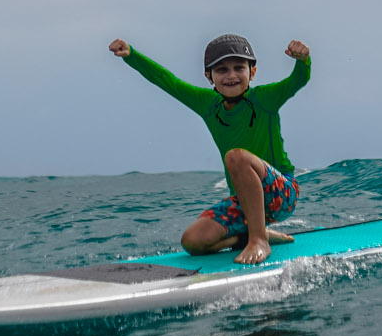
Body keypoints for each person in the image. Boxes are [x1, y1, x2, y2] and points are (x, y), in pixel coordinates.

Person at [108, 33, 311, 264]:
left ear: (252, 72)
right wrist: (131, 55)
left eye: (238, 67)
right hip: (245, 202)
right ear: (209, 76)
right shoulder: (208, 104)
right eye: (222, 70)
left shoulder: (265, 99)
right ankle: (250, 235)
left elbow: (297, 81)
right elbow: (168, 82)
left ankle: (258, 240)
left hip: (282, 194)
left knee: (235, 157)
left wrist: (302, 61)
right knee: (193, 241)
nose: (231, 75)